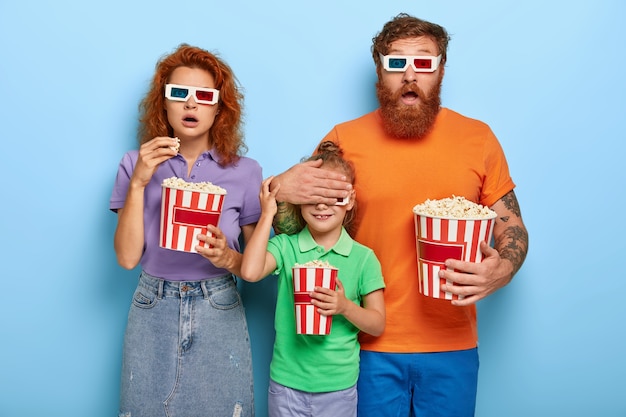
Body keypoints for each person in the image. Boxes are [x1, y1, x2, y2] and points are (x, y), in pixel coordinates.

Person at [270, 13, 529, 417]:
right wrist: (278, 188)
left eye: (424, 63)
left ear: (441, 69)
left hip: (453, 344)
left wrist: (504, 268)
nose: (410, 76)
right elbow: (295, 227)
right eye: (396, 63)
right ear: (379, 69)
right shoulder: (342, 140)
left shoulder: (477, 139)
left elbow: (511, 224)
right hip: (366, 344)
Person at [109, 44, 261, 417]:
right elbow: (128, 258)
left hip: (218, 303)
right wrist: (140, 183)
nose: (190, 104)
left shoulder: (245, 171)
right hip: (152, 303)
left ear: (219, 107)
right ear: (163, 103)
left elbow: (258, 266)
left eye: (204, 96)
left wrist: (228, 256)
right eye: (179, 94)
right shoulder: (135, 163)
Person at [239, 141, 386, 417]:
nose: (322, 204)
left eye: (333, 195)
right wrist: (268, 212)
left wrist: (344, 307)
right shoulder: (286, 247)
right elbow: (249, 271)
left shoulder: (364, 258)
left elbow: (377, 324)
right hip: (286, 385)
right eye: (313, 194)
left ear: (350, 199)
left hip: (338, 388)